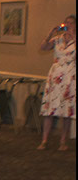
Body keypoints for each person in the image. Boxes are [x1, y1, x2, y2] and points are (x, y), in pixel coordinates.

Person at [38, 15, 76, 151]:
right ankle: (44, 140)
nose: (68, 25)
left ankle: (63, 141)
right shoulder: (57, 39)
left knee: (66, 110)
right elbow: (43, 47)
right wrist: (50, 34)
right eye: (66, 23)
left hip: (69, 78)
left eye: (71, 23)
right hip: (55, 76)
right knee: (49, 109)